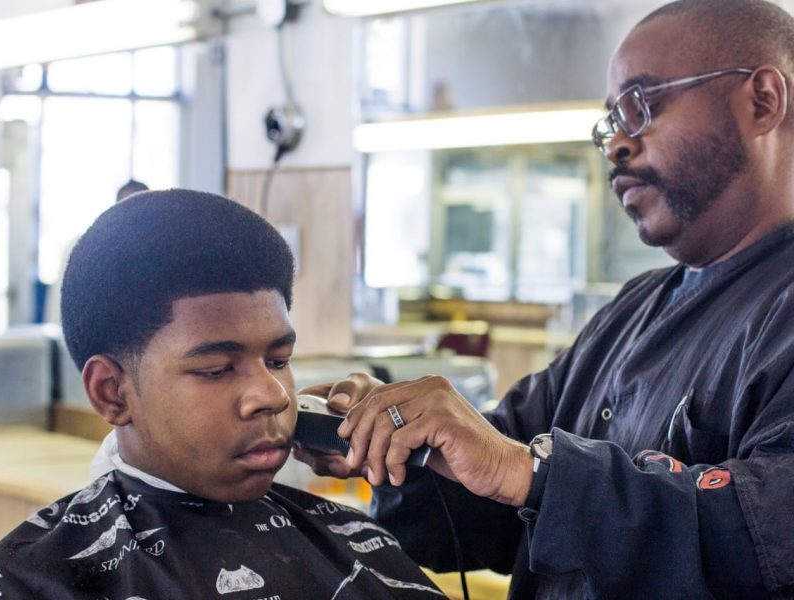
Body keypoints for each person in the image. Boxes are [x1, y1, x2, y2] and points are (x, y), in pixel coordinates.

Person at [295, 1, 794, 597]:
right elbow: (496, 512)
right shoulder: (630, 312)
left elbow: (768, 538)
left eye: (642, 105)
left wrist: (522, 470)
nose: (616, 147)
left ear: (762, 100)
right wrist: (402, 449)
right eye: (611, 123)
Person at [0, 189, 445, 599]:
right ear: (112, 392)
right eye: (216, 370)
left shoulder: (354, 541)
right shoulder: (32, 583)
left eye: (278, 360)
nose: (271, 396)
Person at [44, 178, 149, 324]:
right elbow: (59, 306)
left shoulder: (151, 255)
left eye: (142, 209)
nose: (134, 216)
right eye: (128, 207)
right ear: (116, 209)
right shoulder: (82, 247)